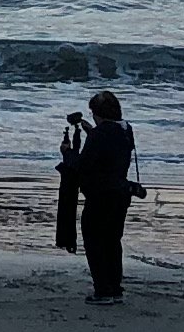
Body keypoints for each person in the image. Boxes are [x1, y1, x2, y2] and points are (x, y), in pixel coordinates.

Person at [58, 90, 138, 302]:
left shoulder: (100, 136)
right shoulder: (125, 130)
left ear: (99, 114)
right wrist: (91, 132)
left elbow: (82, 165)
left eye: (93, 113)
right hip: (120, 194)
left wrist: (67, 152)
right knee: (112, 241)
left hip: (100, 195)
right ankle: (114, 288)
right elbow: (109, 149)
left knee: (94, 241)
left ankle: (103, 290)